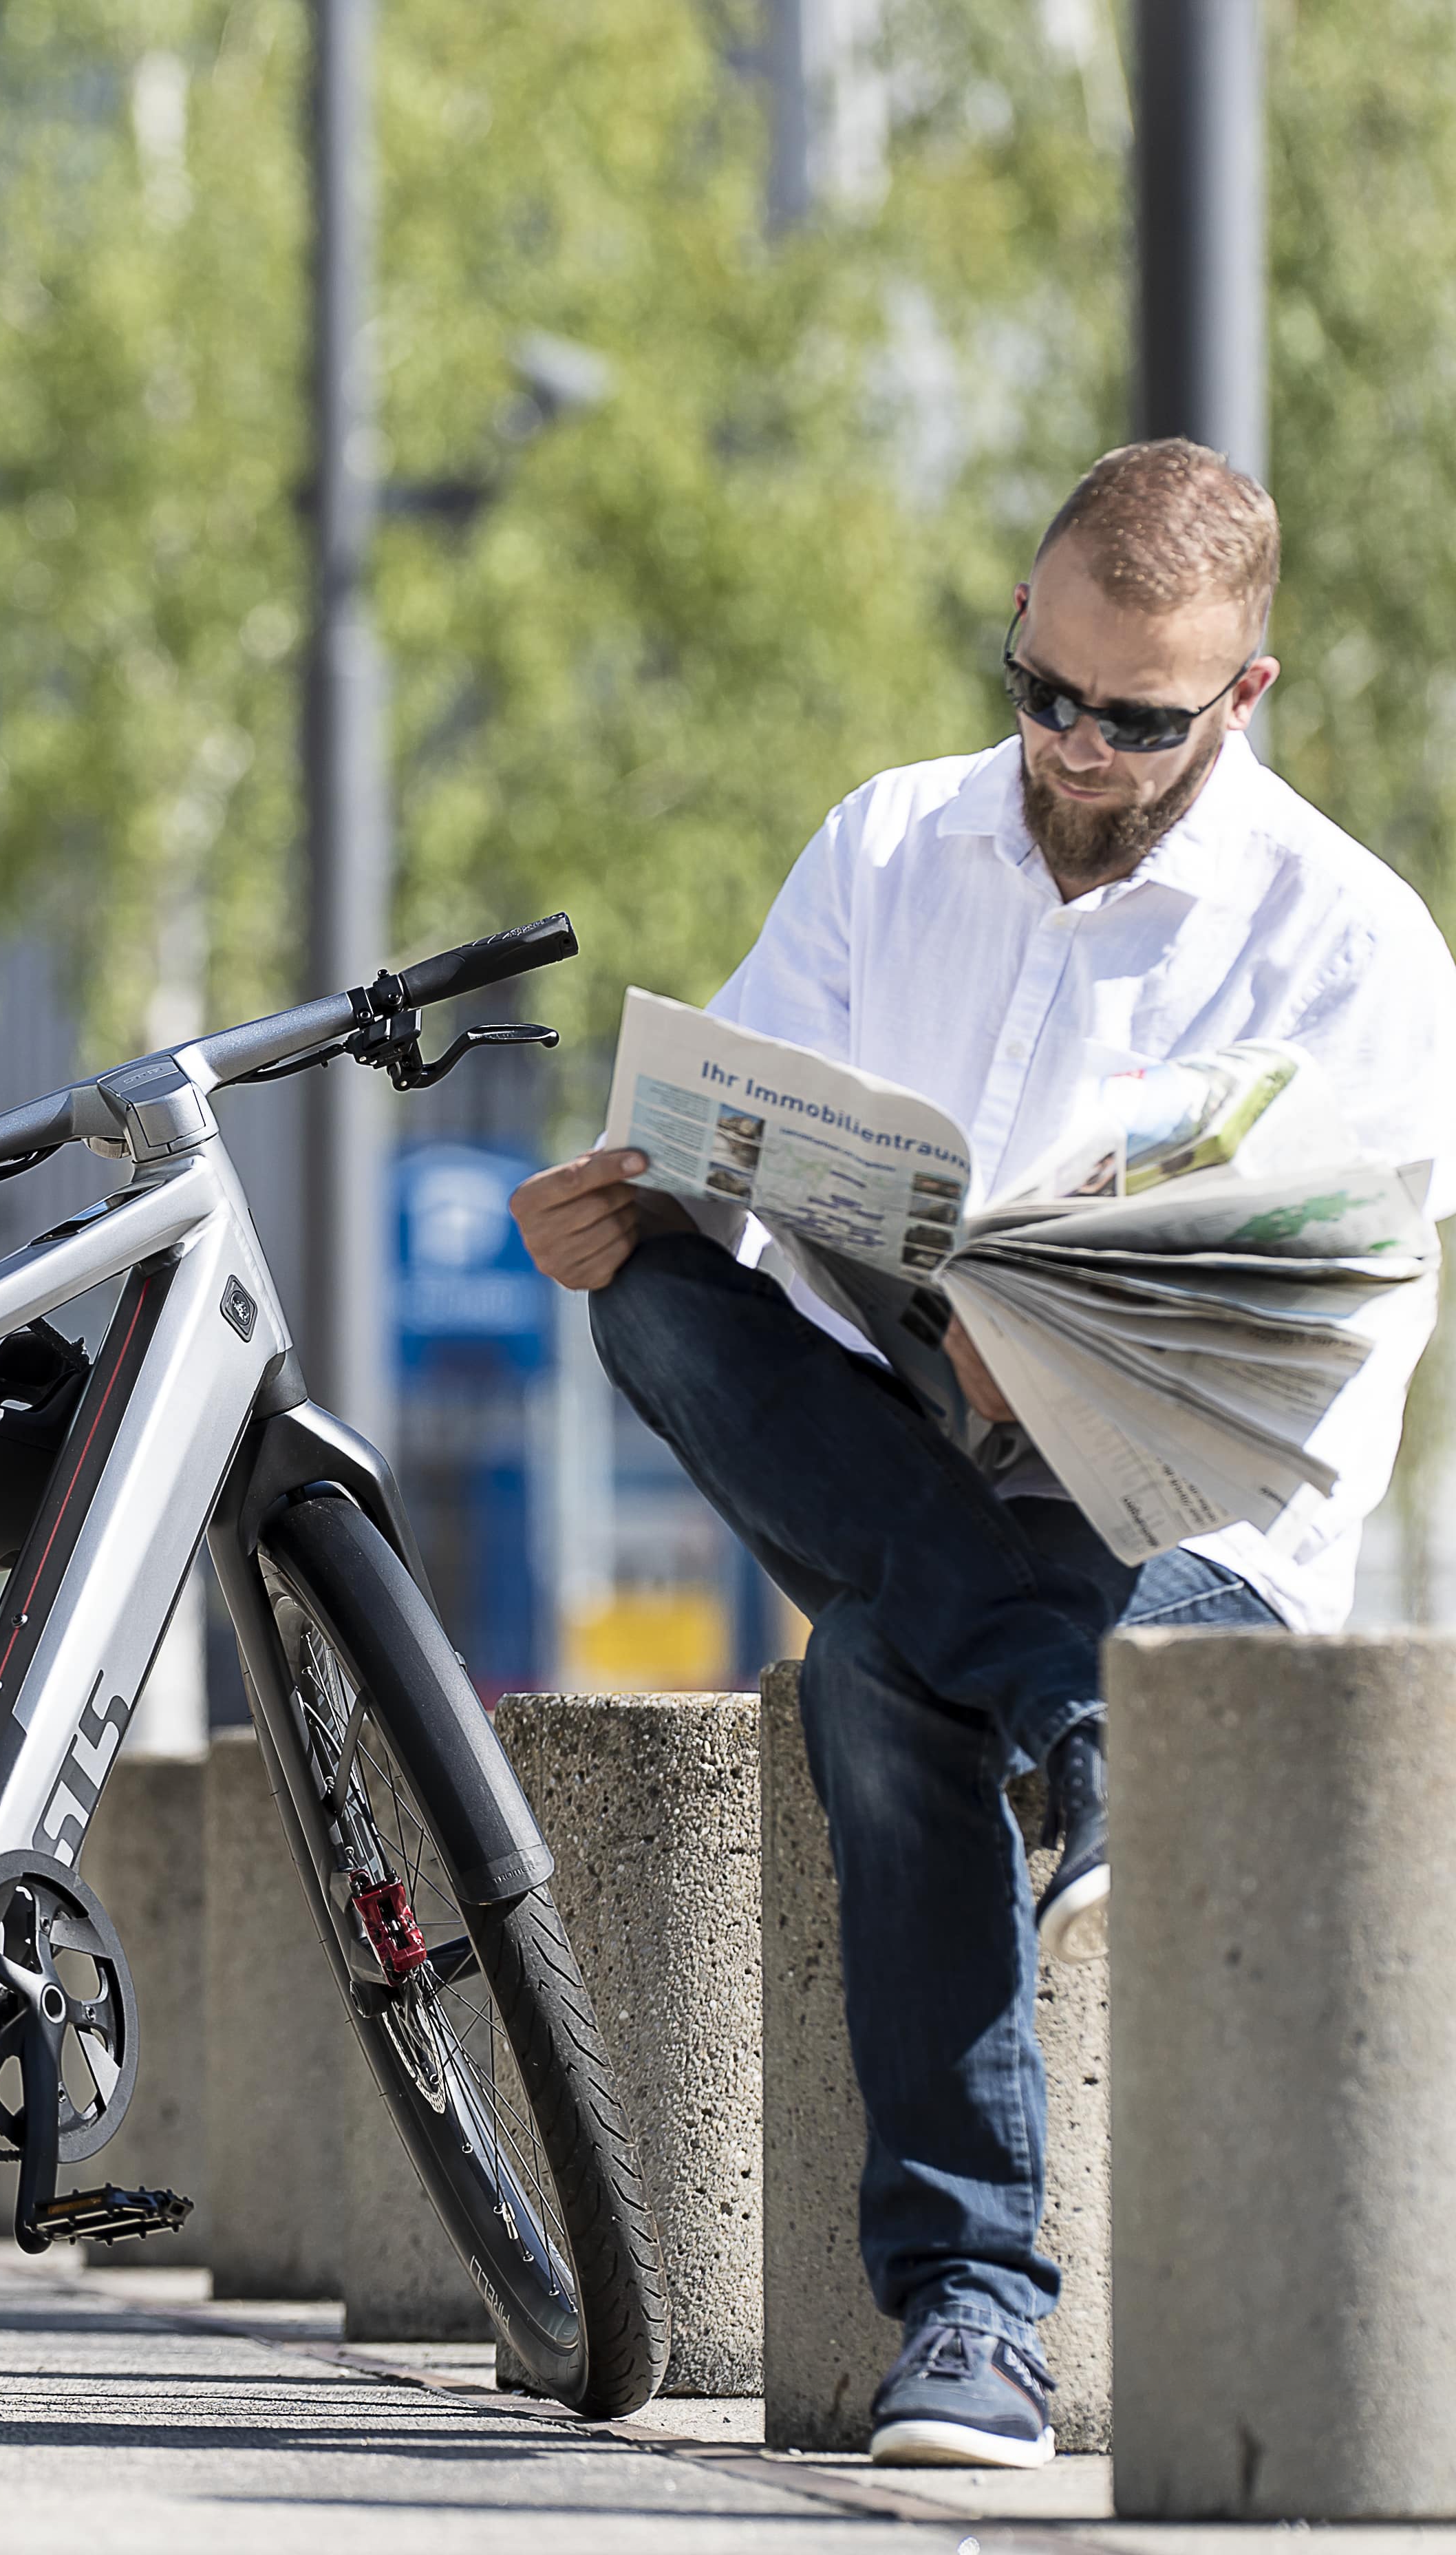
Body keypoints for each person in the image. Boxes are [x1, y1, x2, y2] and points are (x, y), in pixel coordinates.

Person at [513, 441, 1456, 2470]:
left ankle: (971, 2315)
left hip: (1187, 1523)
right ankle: (1073, 1717)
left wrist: (1068, 1333)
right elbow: (734, 1146)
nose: (1080, 749)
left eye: (1139, 719)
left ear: (1246, 697)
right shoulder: (887, 844)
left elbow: (1326, 1310)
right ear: (1021, 625)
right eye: (1049, 690)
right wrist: (644, 1207)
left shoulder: (1355, 946)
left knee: (874, 1675)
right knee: (656, 1311)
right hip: (916, 1448)